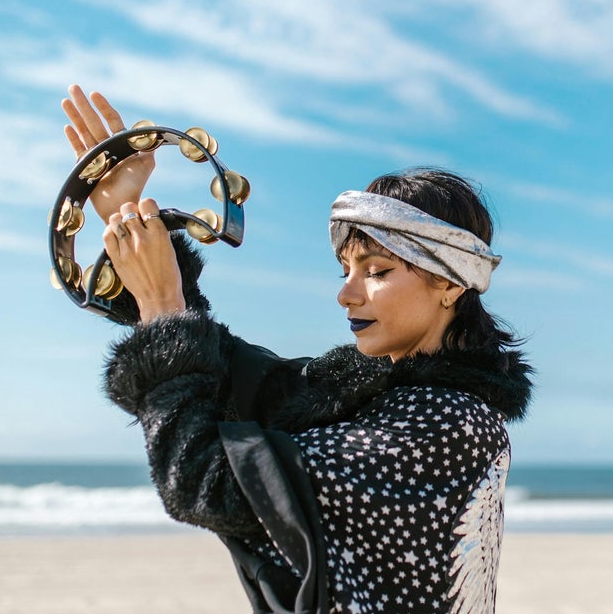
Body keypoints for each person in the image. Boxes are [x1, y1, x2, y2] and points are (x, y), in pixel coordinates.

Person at [60, 85, 533, 613]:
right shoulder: (381, 397)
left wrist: (164, 306)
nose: (346, 293)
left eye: (377, 271)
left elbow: (212, 481)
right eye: (346, 269)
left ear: (451, 283)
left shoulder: (448, 422)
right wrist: (129, 217)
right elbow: (245, 380)